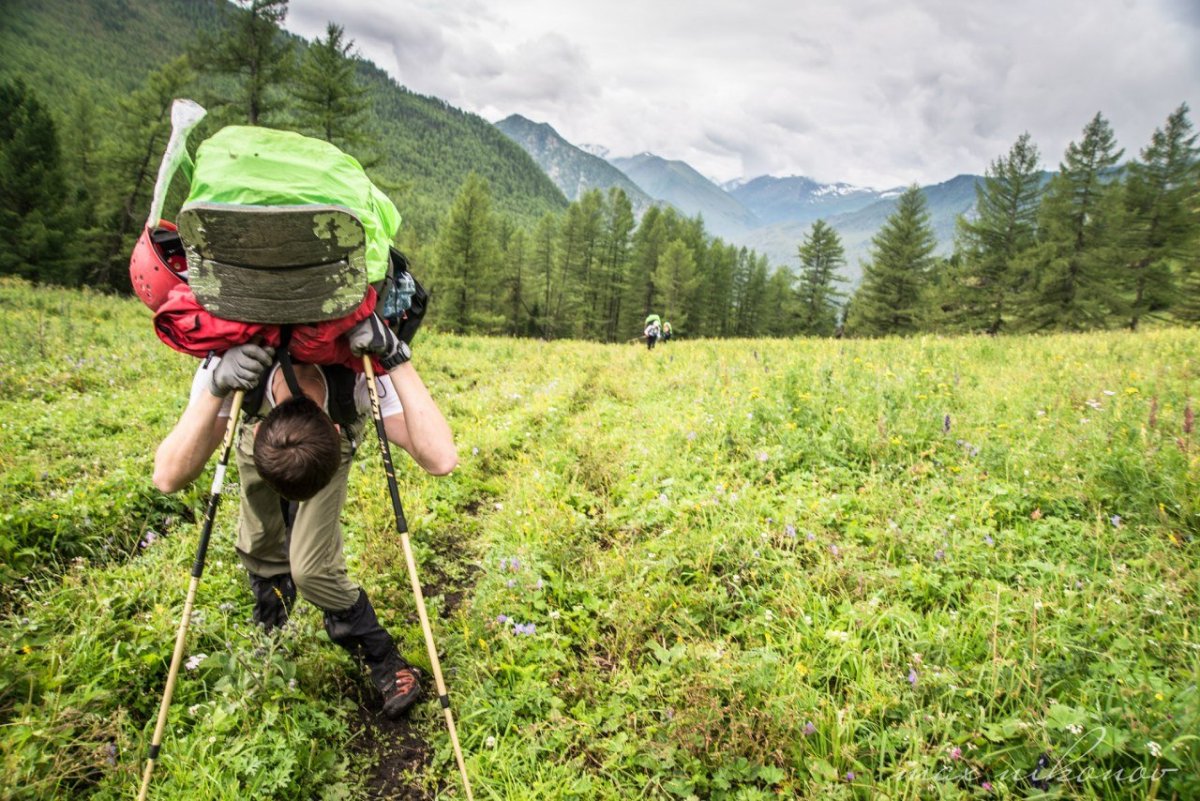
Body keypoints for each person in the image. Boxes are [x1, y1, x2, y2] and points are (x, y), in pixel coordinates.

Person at [152, 312, 456, 719]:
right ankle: (270, 630)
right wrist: (215, 382)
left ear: (334, 429)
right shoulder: (239, 368)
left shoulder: (359, 381)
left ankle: (383, 659)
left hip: (322, 445)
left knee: (312, 568)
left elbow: (440, 459)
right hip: (264, 426)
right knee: (260, 540)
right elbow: (167, 477)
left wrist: (396, 358)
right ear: (256, 433)